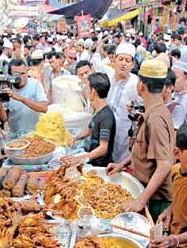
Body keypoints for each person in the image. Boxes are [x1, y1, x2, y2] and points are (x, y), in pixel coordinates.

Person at [107, 59, 175, 221]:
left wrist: (141, 200)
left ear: (141, 85)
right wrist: (122, 164)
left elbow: (165, 163)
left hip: (155, 199)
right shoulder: (152, 112)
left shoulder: (156, 118)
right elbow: (144, 148)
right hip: (145, 190)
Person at [63, 72, 116, 167]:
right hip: (92, 160)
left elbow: (103, 148)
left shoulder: (106, 117)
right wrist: (75, 138)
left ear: (93, 91)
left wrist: (80, 158)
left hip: (100, 165)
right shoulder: (97, 110)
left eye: (87, 87)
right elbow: (89, 129)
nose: (85, 90)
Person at [107, 42, 140, 163]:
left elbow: (139, 112)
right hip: (106, 131)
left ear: (132, 64)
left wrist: (135, 135)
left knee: (121, 164)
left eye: (127, 60)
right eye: (120, 59)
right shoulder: (107, 78)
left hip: (124, 133)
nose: (123, 63)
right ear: (114, 60)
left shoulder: (136, 84)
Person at [3, 59, 48, 136]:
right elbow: (4, 118)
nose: (20, 77)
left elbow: (44, 108)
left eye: (23, 73)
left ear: (27, 72)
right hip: (16, 136)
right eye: (16, 74)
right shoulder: (6, 88)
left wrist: (20, 98)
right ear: (10, 75)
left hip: (36, 134)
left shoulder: (35, 84)